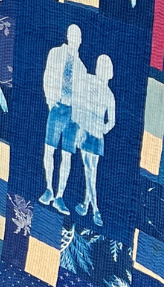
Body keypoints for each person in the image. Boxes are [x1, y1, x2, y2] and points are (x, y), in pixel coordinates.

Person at [40, 24, 87, 216]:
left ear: (80, 41)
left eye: (78, 37)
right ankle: (49, 189)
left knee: (66, 154)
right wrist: (51, 102)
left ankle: (59, 196)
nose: (75, 40)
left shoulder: (81, 67)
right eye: (72, 36)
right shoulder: (55, 53)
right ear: (68, 36)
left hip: (73, 114)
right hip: (57, 106)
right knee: (49, 149)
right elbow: (48, 77)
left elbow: (83, 97)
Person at [73, 55, 116, 227]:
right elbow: (80, 104)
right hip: (87, 131)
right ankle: (91, 208)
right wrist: (81, 128)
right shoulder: (90, 82)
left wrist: (102, 129)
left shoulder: (109, 95)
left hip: (95, 135)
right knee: (89, 171)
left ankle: (91, 207)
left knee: (90, 171)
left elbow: (112, 121)